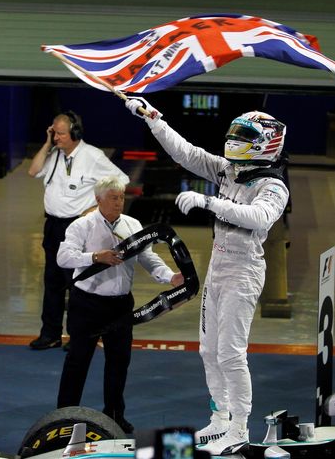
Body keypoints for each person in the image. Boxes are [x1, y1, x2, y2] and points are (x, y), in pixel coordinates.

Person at [125, 98, 289, 455]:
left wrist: (209, 203)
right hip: (217, 268)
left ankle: (240, 429)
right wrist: (153, 118)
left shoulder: (273, 186)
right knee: (208, 351)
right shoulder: (230, 169)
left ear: (265, 142)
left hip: (243, 274)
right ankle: (220, 419)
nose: (234, 139)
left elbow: (259, 217)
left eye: (243, 135)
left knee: (231, 354)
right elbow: (186, 153)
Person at [55, 175, 184, 434]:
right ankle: (64, 416)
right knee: (78, 361)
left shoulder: (133, 224)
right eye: (113, 198)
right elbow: (63, 257)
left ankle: (114, 414)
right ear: (98, 199)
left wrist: (170, 277)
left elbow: (147, 257)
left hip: (120, 305)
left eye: (122, 197)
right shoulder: (82, 226)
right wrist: (95, 256)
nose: (118, 202)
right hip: (87, 305)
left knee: (118, 361)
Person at [28, 111, 129, 350]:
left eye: (60, 134)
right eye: (54, 133)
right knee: (52, 281)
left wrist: (95, 207)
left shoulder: (92, 156)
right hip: (53, 226)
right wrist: (46, 143)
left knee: (78, 283)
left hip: (77, 226)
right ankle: (50, 333)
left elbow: (121, 180)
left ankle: (80, 336)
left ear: (74, 133)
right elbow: (33, 171)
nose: (56, 139)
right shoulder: (53, 155)